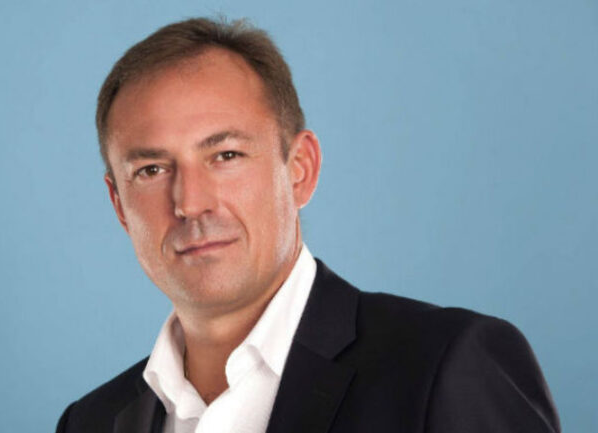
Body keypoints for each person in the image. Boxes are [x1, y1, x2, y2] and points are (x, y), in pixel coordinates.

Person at [57, 17, 560, 433]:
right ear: (119, 205)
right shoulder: (89, 422)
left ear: (300, 170)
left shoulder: (442, 367)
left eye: (226, 155)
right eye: (151, 170)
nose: (190, 203)